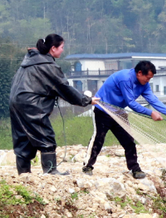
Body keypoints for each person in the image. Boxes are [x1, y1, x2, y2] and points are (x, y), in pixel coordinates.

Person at [9, 34, 99, 176]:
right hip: (32, 103)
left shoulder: (29, 61)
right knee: (45, 136)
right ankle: (50, 171)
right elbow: (64, 88)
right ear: (53, 48)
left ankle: (24, 174)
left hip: (16, 101)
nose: (63, 50)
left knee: (23, 138)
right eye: (61, 47)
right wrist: (86, 100)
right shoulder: (47, 66)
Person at [83, 60, 166, 179]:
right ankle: (88, 166)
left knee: (129, 140)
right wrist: (151, 113)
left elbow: (153, 100)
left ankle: (135, 168)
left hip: (119, 112)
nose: (148, 80)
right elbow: (131, 103)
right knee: (99, 138)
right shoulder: (125, 79)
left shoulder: (144, 84)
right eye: (147, 77)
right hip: (103, 110)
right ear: (139, 73)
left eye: (150, 78)